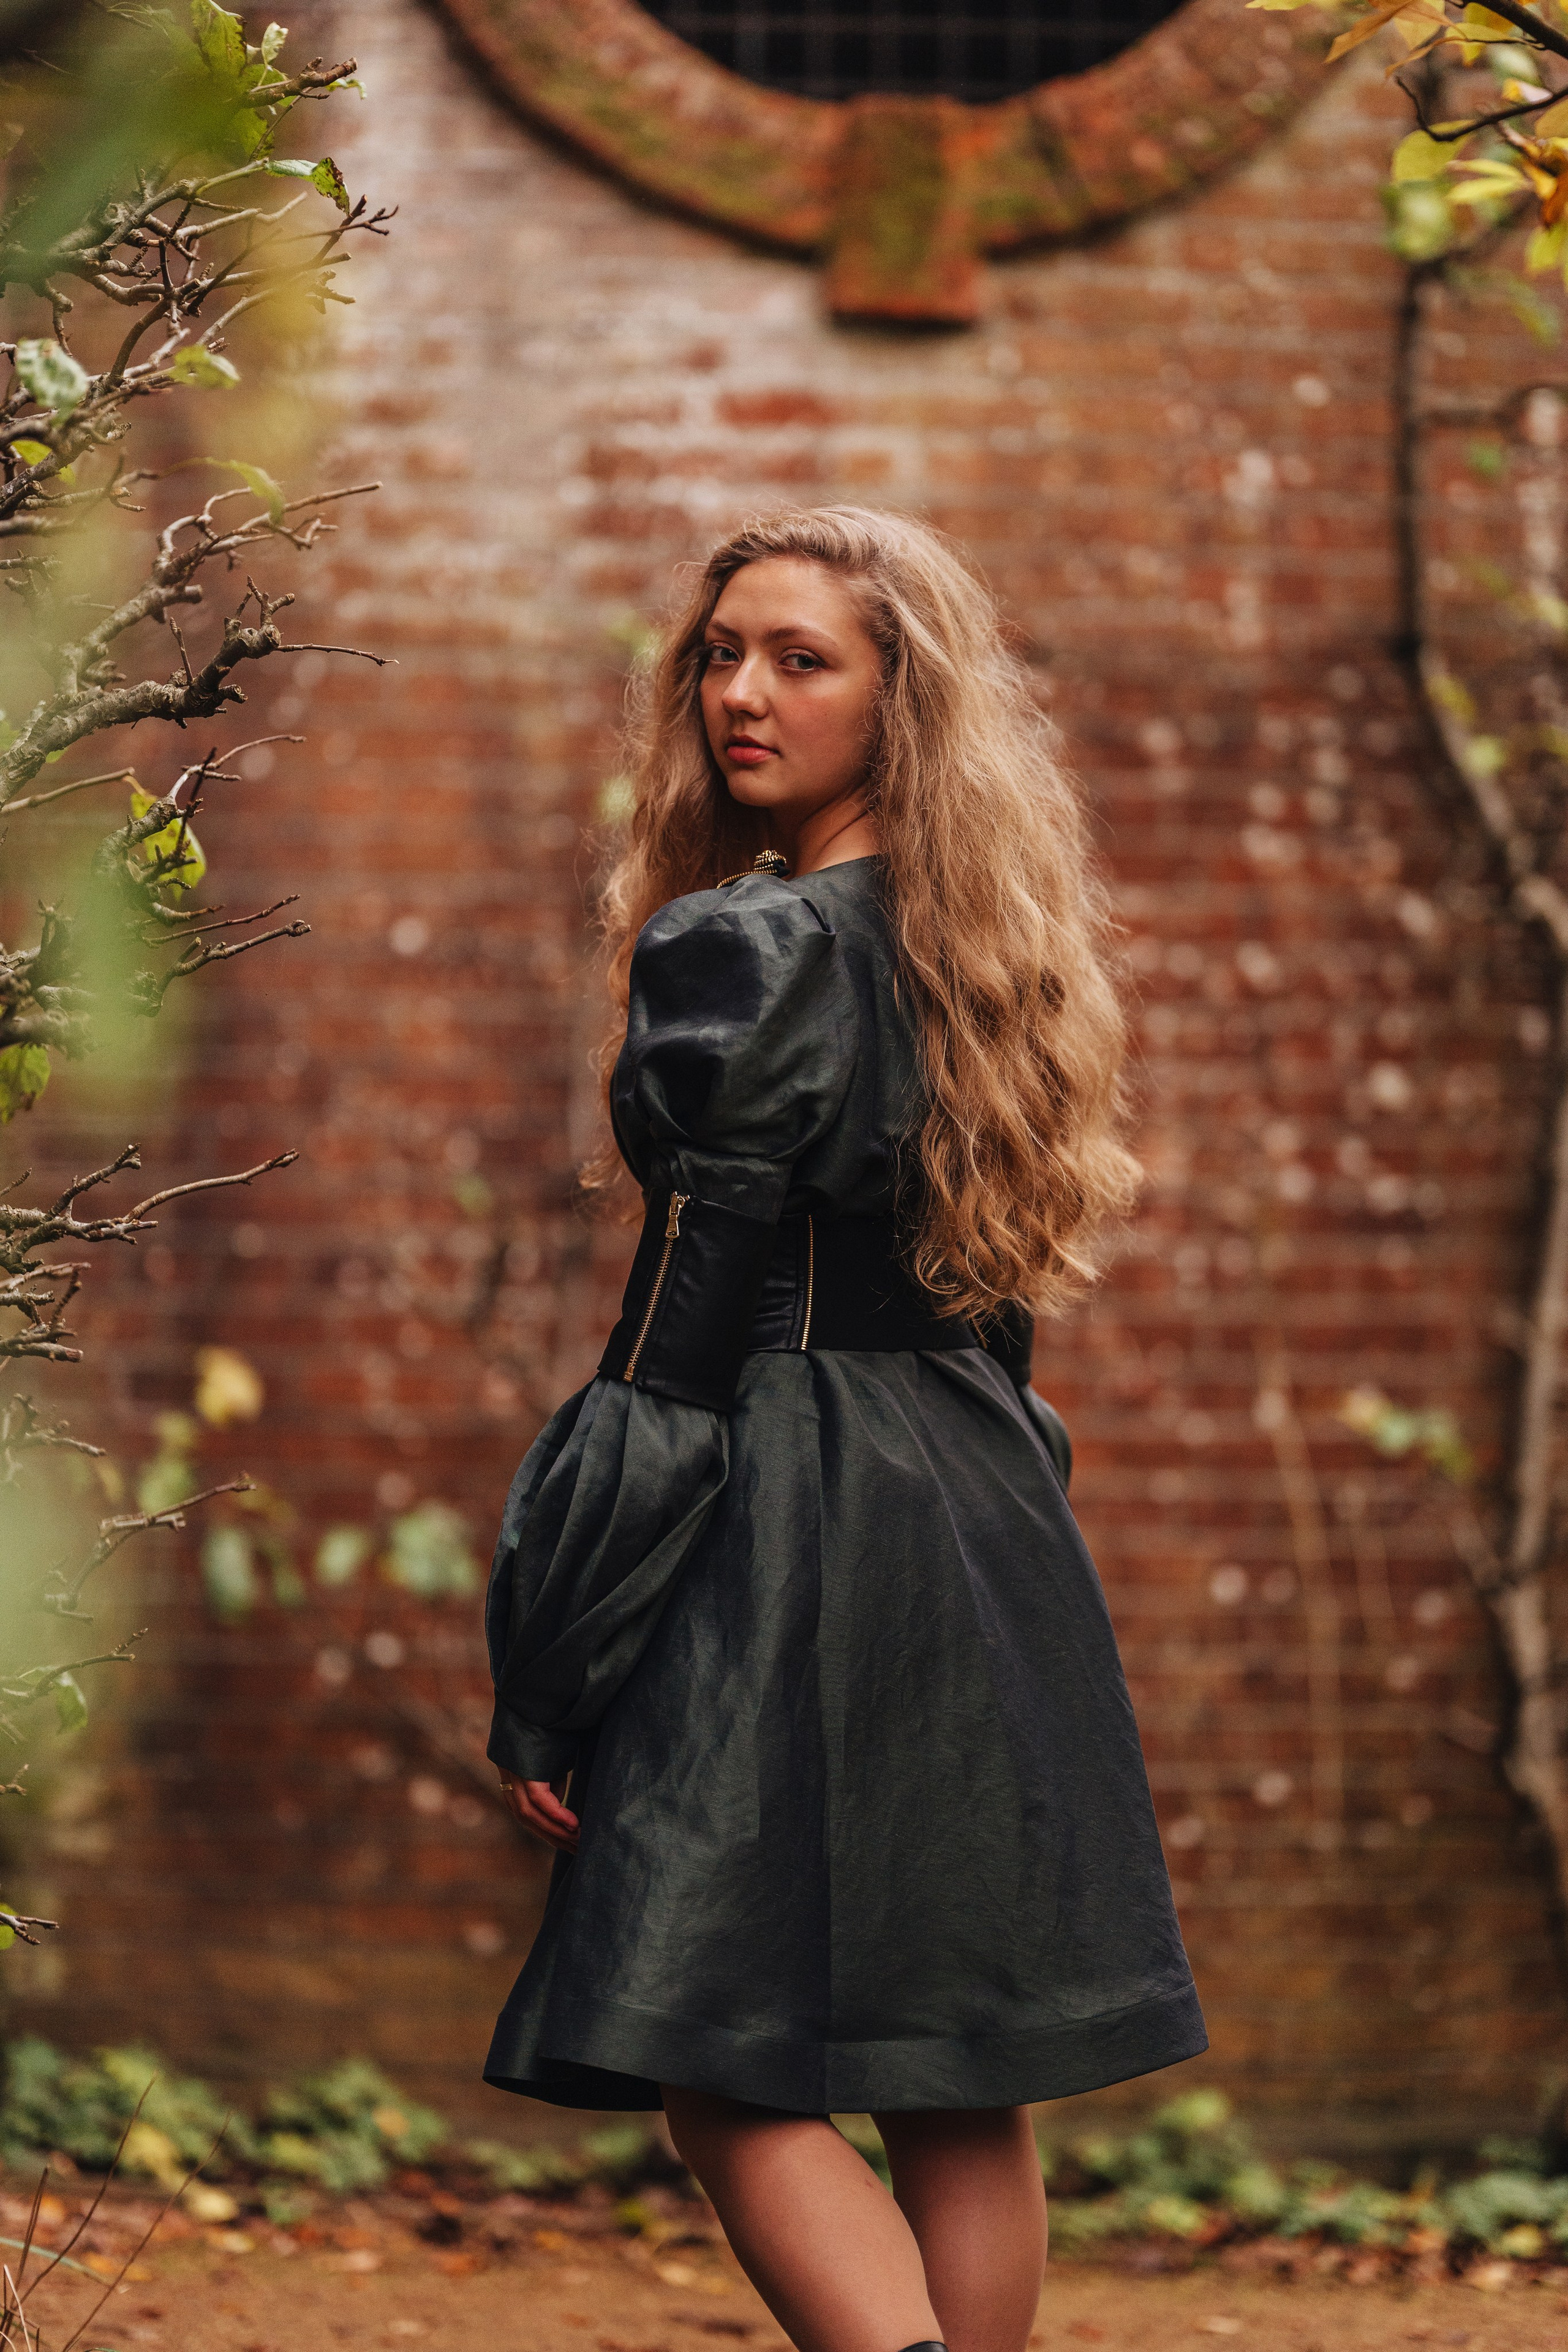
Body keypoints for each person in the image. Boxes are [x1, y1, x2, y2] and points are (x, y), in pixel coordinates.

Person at [483, 506, 1206, 2352]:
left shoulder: (747, 948)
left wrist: (559, 1653)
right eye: (719, 653)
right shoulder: (982, 950)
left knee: (721, 2068)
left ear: (902, 700)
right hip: (977, 1516)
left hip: (778, 1518)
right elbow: (1000, 1303)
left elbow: (681, 1334)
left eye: (802, 659)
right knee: (953, 2067)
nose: (740, 691)